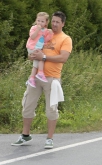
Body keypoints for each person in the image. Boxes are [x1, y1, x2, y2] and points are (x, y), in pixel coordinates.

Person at [11, 11, 72, 149]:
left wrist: (44, 57)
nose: (55, 24)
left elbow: (63, 58)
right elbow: (33, 49)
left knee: (51, 109)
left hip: (52, 78)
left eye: (58, 22)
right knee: (27, 105)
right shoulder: (44, 34)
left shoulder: (65, 39)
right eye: (53, 21)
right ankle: (25, 135)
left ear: (63, 23)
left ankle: (49, 138)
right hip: (36, 77)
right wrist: (32, 56)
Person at [26, 12, 53, 88]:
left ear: (46, 23)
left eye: (42, 21)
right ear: (36, 20)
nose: (40, 23)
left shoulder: (45, 30)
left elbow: (46, 40)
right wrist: (37, 30)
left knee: (35, 65)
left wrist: (50, 33)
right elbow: (32, 37)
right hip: (32, 47)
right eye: (38, 20)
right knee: (42, 57)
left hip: (38, 48)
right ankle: (40, 73)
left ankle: (31, 78)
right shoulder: (34, 28)